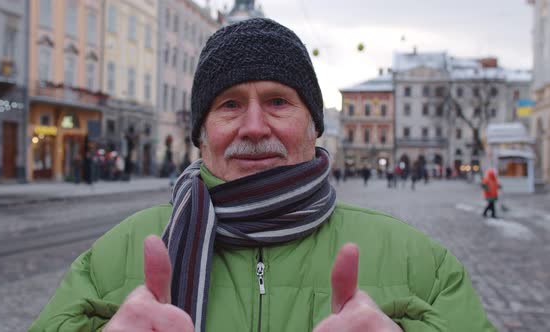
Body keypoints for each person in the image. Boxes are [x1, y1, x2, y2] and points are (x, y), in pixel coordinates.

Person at [30, 18, 494, 332]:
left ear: (314, 125)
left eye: (277, 101)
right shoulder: (111, 259)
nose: (254, 127)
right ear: (201, 133)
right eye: (229, 104)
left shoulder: (425, 268)